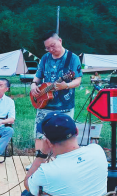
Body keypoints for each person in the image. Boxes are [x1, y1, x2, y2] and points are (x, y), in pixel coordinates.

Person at [3, 113, 108, 196]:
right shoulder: (98, 151)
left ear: (47, 142)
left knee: (29, 193)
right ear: (77, 131)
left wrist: (42, 154)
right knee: (34, 191)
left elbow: (27, 182)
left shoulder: (46, 172)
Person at [30, 31, 83, 159]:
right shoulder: (45, 58)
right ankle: (39, 161)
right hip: (44, 104)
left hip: (64, 106)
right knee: (39, 133)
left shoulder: (73, 58)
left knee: (63, 136)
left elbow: (78, 80)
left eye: (52, 46)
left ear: (60, 41)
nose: (50, 50)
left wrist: (67, 85)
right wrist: (33, 84)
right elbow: (38, 76)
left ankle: (59, 162)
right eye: (47, 48)